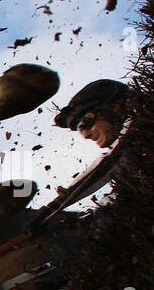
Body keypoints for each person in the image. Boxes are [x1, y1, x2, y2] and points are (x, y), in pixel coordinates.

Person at [46, 78, 133, 213]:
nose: (86, 135)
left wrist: (53, 207)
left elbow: (108, 163)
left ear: (114, 108)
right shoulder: (133, 162)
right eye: (81, 132)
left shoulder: (143, 124)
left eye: (84, 124)